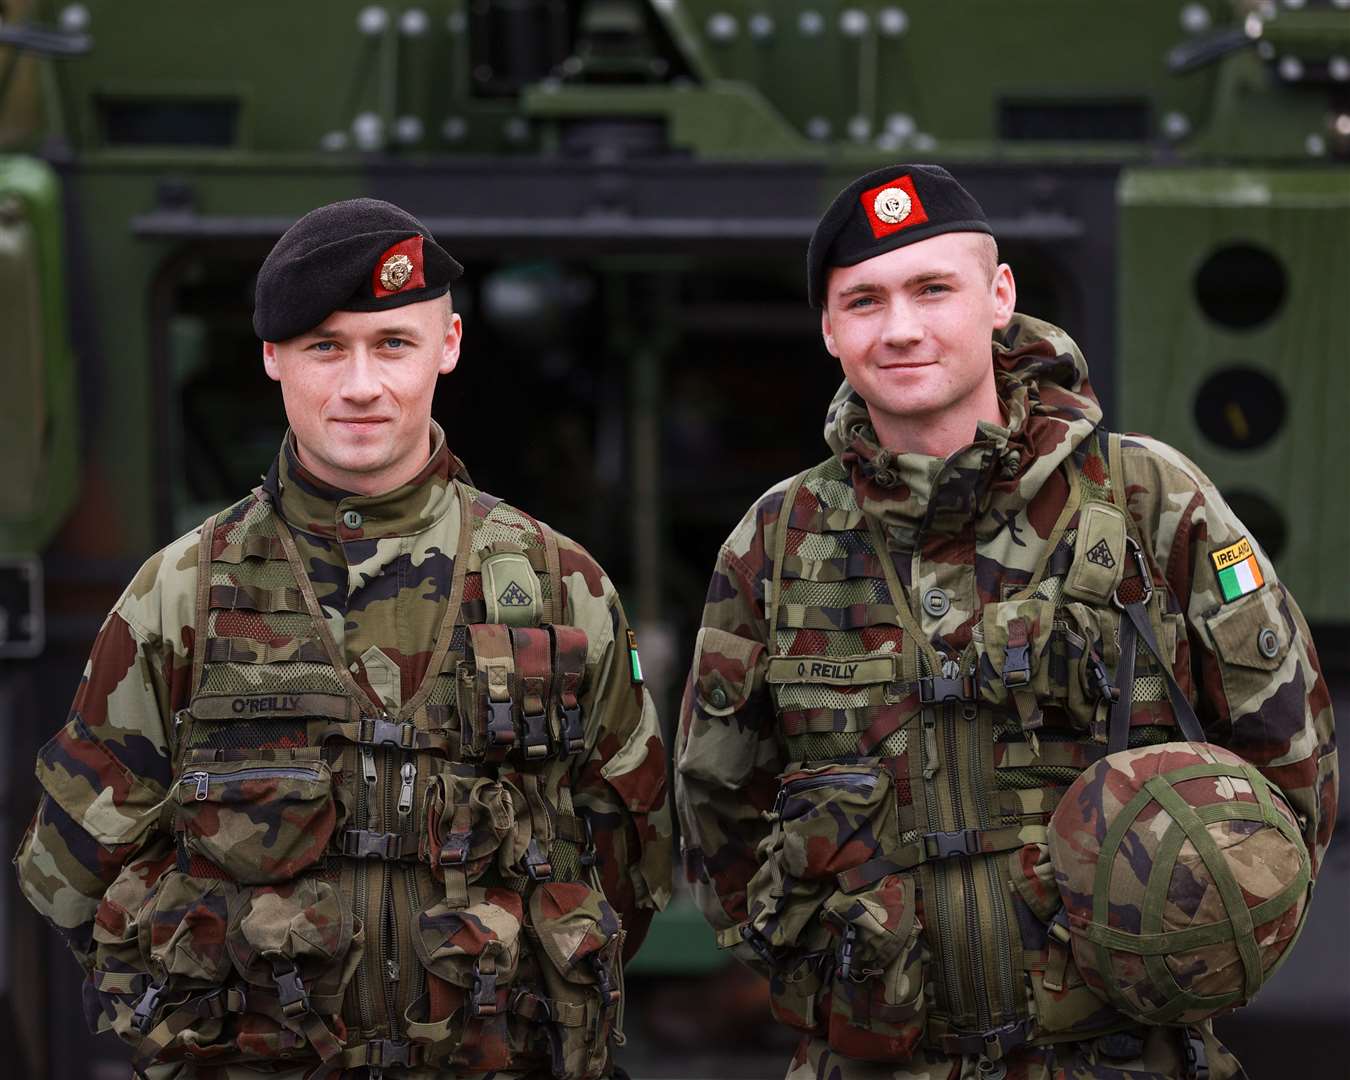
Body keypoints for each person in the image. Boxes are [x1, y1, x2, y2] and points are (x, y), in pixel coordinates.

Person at [673, 165, 1336, 1080]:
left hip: (1118, 1057)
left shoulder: (1149, 501)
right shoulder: (780, 542)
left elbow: (1291, 773)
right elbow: (718, 822)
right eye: (863, 301)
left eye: (932, 289)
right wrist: (846, 981)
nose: (900, 328)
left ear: (999, 296)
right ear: (829, 329)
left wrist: (1188, 948)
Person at [15, 198, 672, 1079]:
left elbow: (635, 857)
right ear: (272, 356)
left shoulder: (562, 586)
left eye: (392, 343)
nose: (360, 384)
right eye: (326, 346)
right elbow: (70, 868)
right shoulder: (183, 594)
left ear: (449, 347)